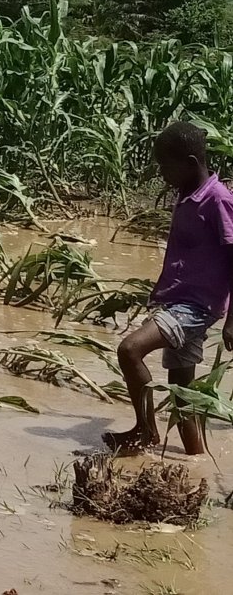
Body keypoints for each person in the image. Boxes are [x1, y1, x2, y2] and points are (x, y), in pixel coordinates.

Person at [103, 121, 233, 454]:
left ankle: (145, 431)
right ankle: (194, 458)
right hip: (179, 302)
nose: (162, 174)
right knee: (182, 391)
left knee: (130, 350)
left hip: (196, 308)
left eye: (165, 166)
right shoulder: (187, 193)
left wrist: (232, 321)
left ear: (191, 163)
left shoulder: (217, 199)